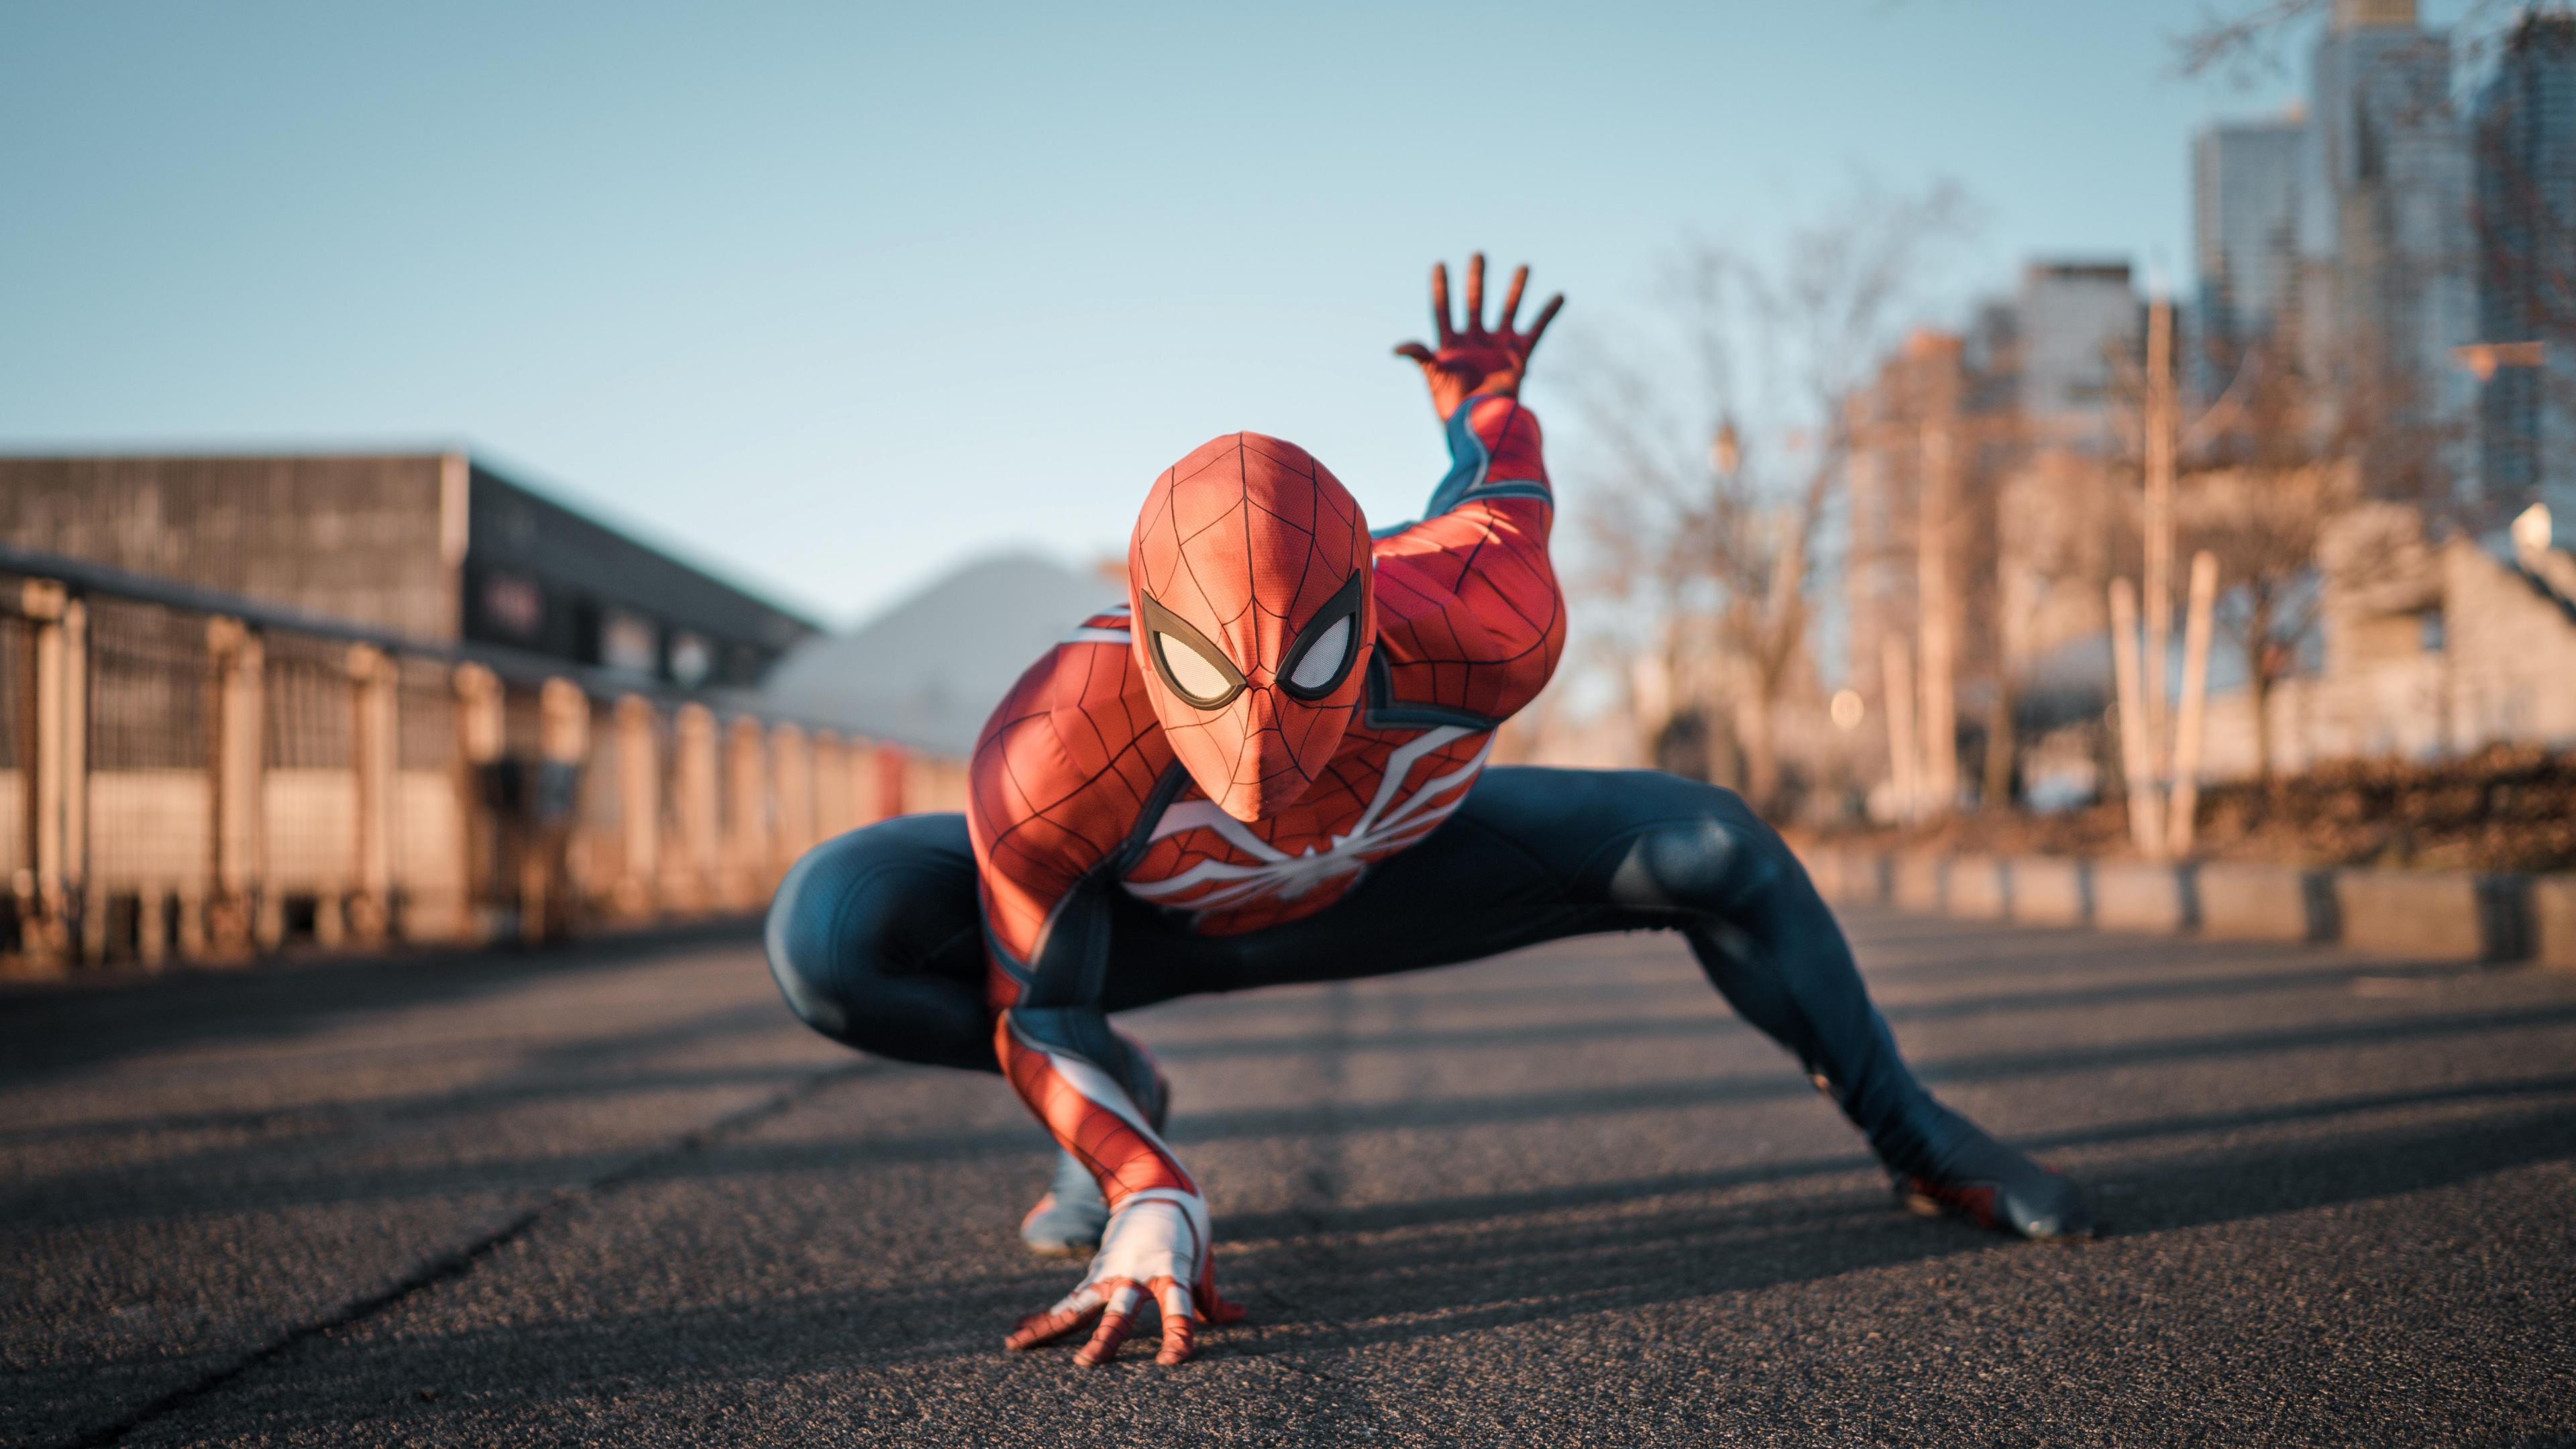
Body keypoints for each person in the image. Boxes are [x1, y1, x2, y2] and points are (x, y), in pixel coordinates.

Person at [765, 256, 2092, 1370]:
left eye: (1307, 668)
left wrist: (1488, 399)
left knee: (1717, 843)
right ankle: (1133, 1107)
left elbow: (1500, 484)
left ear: (1367, 615)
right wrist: (1141, 1181)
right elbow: (1036, 1002)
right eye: (1212, 678)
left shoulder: (1483, 616)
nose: (1262, 738)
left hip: (1408, 873)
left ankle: (1913, 1133)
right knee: (832, 931)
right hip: (1149, 923)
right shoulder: (1058, 742)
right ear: (1144, 635)